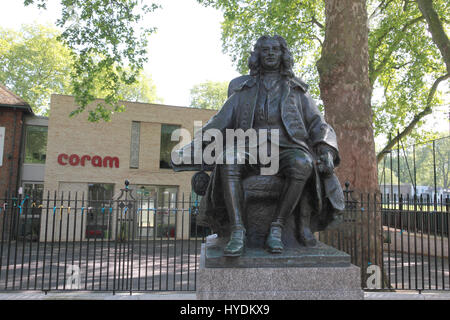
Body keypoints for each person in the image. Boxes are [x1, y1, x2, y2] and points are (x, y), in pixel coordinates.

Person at [173, 35, 344, 256]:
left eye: (275, 49)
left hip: (287, 148)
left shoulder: (296, 91)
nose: (271, 53)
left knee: (302, 163)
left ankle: (277, 227)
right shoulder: (244, 89)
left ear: (283, 55)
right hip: (249, 147)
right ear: (258, 55)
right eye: (265, 50)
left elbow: (317, 123)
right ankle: (237, 231)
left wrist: (326, 149)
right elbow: (219, 122)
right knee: (228, 159)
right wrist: (192, 146)